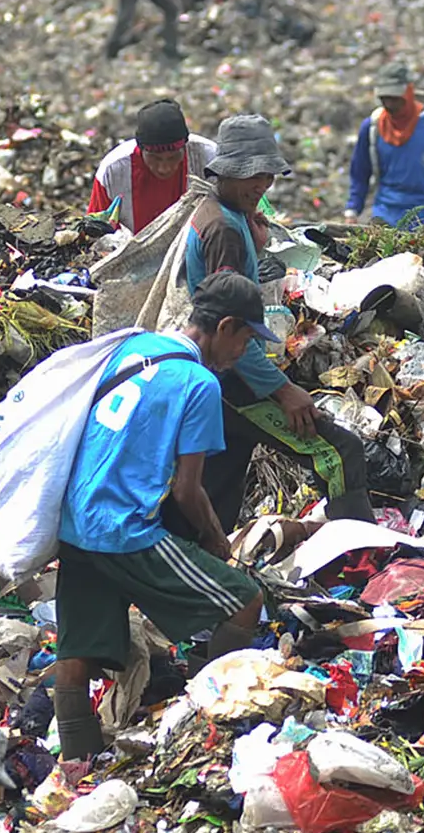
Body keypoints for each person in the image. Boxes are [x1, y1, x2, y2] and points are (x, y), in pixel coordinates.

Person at [50, 274, 271, 761]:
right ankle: (210, 729)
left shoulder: (134, 348)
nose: (243, 351)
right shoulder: (200, 383)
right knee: (244, 602)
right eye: (246, 338)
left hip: (75, 520)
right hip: (124, 528)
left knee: (74, 658)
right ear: (226, 326)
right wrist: (217, 542)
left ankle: (75, 771)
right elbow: (187, 491)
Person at [181, 116, 375, 527]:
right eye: (253, 174)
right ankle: (357, 558)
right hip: (234, 378)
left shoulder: (222, 216)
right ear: (228, 170)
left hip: (221, 377)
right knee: (340, 452)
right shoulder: (224, 230)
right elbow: (231, 329)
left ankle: (209, 567)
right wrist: (284, 390)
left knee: (222, 478)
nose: (262, 184)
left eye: (268, 175)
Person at [347, 64, 424, 226]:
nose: (389, 104)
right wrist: (352, 209)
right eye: (385, 99)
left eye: (394, 99)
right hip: (385, 214)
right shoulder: (372, 127)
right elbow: (360, 173)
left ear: (408, 92)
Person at [88, 100, 217, 234]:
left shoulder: (209, 159)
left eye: (173, 158)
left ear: (185, 148)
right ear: (140, 150)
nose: (164, 168)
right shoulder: (113, 170)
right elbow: (94, 230)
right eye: (155, 158)